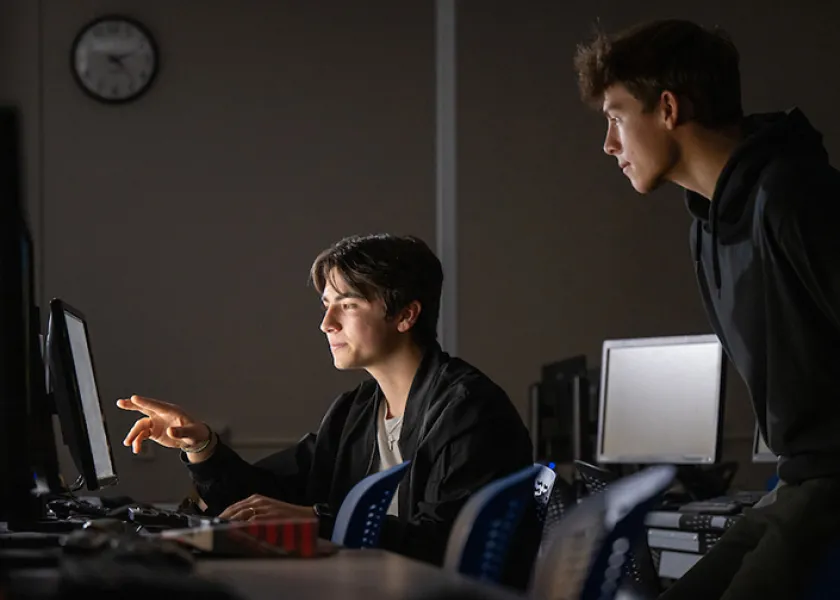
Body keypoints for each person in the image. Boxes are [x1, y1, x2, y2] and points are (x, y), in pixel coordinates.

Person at [574, 18, 840, 600]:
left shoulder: (795, 195)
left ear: (667, 108)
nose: (609, 145)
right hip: (798, 478)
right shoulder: (707, 228)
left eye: (617, 117)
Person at [117, 233, 534, 569]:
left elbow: (446, 543)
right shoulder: (356, 410)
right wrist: (201, 444)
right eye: (326, 305)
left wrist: (320, 520)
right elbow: (265, 499)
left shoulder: (469, 409)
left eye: (347, 305)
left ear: (406, 315)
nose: (326, 323)